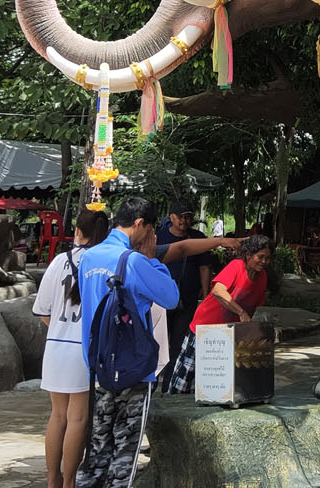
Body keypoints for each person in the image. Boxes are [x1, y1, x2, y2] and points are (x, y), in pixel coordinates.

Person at [74, 197, 230, 488]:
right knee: (125, 453)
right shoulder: (134, 261)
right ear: (138, 224)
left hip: (98, 367)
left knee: (97, 449)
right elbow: (171, 297)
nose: (151, 236)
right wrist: (151, 260)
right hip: (132, 370)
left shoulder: (89, 257)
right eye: (150, 230)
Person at [32, 206, 109, 488]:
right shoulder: (103, 264)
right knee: (78, 419)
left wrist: (58, 328)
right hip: (83, 349)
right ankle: (70, 482)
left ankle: (52, 481)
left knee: (57, 416)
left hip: (55, 346)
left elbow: (43, 311)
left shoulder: (58, 262)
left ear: (77, 231)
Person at [168, 234, 273, 395]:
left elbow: (254, 305)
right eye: (260, 257)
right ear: (248, 255)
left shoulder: (262, 277)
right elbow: (218, 291)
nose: (264, 261)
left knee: (217, 377)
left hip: (228, 333)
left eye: (267, 258)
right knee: (185, 375)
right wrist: (241, 312)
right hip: (205, 327)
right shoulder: (236, 266)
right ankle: (172, 403)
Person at [155, 203, 212, 384]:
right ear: (171, 217)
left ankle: (169, 383)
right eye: (180, 216)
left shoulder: (198, 238)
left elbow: (204, 267)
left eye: (187, 217)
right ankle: (152, 381)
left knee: (179, 343)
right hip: (160, 299)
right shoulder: (158, 236)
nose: (184, 220)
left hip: (187, 298)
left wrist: (206, 296)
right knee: (158, 342)